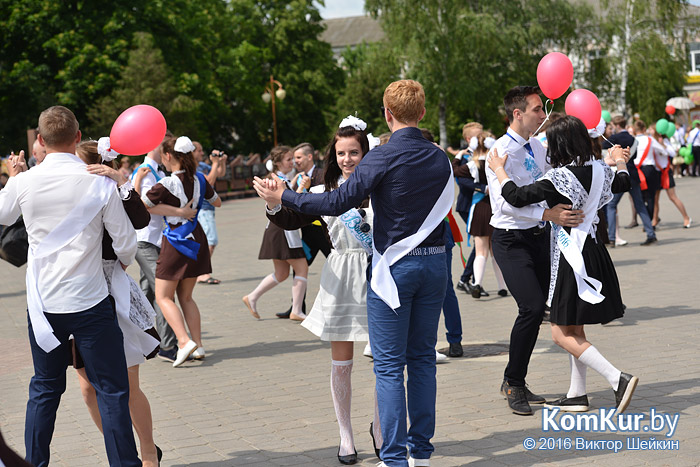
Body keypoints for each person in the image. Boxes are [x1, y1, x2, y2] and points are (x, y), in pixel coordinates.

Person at [254, 79, 451, 467]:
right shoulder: (438, 155)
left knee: (390, 366)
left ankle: (394, 458)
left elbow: (339, 199)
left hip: (393, 267)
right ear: (423, 113)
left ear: (387, 113)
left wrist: (284, 196)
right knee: (423, 360)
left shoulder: (381, 155)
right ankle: (422, 455)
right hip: (435, 264)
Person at [0, 106, 141, 466]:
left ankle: (36, 463)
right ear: (78, 138)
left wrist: (14, 175)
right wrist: (119, 264)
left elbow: (2, 216)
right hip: (91, 301)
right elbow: (126, 243)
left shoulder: (24, 182)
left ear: (40, 142)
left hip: (44, 306)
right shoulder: (100, 181)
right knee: (110, 391)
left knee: (45, 389)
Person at [489, 115, 639, 414]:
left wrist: (499, 170)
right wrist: (620, 160)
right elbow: (625, 181)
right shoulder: (599, 170)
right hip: (595, 251)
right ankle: (577, 394)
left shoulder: (558, 178)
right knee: (575, 327)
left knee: (559, 333)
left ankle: (617, 378)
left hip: (571, 257)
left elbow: (516, 197)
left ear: (557, 145)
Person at [267, 116, 381, 465]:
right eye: (342, 153)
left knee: (384, 363)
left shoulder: (381, 188)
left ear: (366, 153)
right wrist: (273, 202)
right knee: (342, 364)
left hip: (378, 277)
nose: (347, 159)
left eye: (355, 152)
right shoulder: (321, 193)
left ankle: (380, 426)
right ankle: (345, 436)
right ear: (334, 154)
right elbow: (290, 218)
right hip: (340, 279)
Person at [486, 86, 583, 416]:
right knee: (530, 306)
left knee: (544, 306)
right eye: (537, 109)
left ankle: (524, 381)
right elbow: (505, 204)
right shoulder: (499, 152)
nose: (543, 115)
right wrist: (548, 214)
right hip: (511, 240)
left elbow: (548, 186)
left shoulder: (538, 147)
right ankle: (513, 382)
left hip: (541, 236)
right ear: (518, 114)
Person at [76, 139, 163, 467]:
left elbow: (140, 221)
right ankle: (122, 447)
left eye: (79, 164)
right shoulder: (65, 194)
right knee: (87, 389)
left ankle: (148, 451)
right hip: (75, 294)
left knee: (127, 384)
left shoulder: (110, 192)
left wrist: (122, 181)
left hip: (112, 291)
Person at [142, 136, 221, 367]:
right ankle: (198, 345)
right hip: (197, 239)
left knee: (163, 296)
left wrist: (177, 211)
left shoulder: (167, 183)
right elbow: (217, 202)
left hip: (176, 240)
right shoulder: (199, 179)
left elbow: (144, 204)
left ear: (168, 156)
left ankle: (184, 341)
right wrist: (189, 210)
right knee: (186, 296)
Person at [243, 145, 309, 322]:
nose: (293, 162)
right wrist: (302, 188)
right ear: (278, 163)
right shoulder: (279, 180)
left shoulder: (281, 179)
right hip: (283, 229)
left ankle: (253, 297)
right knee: (301, 267)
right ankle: (296, 310)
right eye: (289, 159)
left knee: (281, 273)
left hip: (276, 227)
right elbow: (291, 203)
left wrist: (296, 184)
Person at [131, 135, 180, 362]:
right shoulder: (146, 170)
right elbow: (146, 206)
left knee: (147, 292)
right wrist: (180, 212)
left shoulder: (156, 170)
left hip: (154, 238)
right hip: (146, 240)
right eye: (165, 146)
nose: (168, 151)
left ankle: (135, 335)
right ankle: (168, 347)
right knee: (164, 293)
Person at [276, 142, 332, 319]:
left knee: (337, 263)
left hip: (324, 232)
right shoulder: (298, 176)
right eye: (293, 158)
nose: (295, 161)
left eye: (298, 157)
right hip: (308, 232)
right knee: (301, 265)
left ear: (309, 157)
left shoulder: (321, 175)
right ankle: (297, 306)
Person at [462, 131, 508, 299]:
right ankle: (503, 286)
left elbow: (456, 172)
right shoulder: (497, 163)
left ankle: (477, 283)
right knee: (496, 252)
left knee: (481, 252)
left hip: (479, 208)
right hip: (496, 209)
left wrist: (461, 154)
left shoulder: (472, 164)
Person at [603, 116, 657, 245]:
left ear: (616, 125)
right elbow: (636, 156)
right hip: (633, 173)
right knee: (639, 205)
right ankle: (651, 233)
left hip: (620, 174)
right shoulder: (633, 139)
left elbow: (603, 147)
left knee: (611, 205)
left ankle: (611, 237)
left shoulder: (613, 139)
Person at [453, 122, 482, 294]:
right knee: (480, 242)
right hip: (467, 205)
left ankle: (471, 279)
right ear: (468, 139)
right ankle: (465, 279)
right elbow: (462, 181)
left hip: (479, 206)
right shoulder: (465, 157)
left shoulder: (482, 154)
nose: (481, 139)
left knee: (482, 243)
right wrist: (482, 188)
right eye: (478, 136)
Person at [193, 141, 227, 284]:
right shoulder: (193, 168)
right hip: (203, 208)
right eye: (199, 151)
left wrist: (221, 162)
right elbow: (209, 182)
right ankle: (202, 273)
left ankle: (201, 271)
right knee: (211, 241)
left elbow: (220, 173)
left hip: (208, 208)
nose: (202, 153)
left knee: (208, 241)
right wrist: (214, 163)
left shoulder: (202, 166)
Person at [633, 120, 669, 241]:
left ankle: (646, 221)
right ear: (644, 129)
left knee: (640, 199)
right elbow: (663, 151)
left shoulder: (632, 140)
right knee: (651, 198)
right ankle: (649, 222)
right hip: (649, 170)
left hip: (637, 170)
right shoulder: (649, 139)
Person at [652, 130, 691, 229]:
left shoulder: (665, 141)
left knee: (672, 197)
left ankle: (686, 217)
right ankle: (654, 220)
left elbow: (672, 153)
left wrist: (663, 146)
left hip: (665, 172)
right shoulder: (651, 140)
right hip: (657, 172)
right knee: (655, 198)